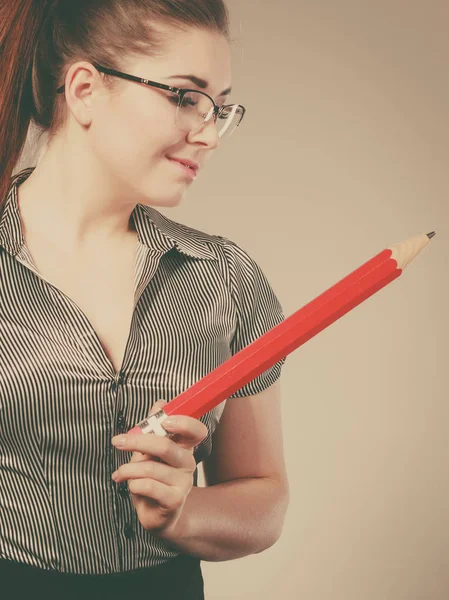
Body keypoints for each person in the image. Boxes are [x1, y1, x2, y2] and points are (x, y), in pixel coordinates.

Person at [0, 1, 290, 598]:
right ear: (84, 89)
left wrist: (182, 513)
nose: (209, 134)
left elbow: (264, 496)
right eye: (185, 97)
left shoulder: (225, 279)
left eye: (218, 107)